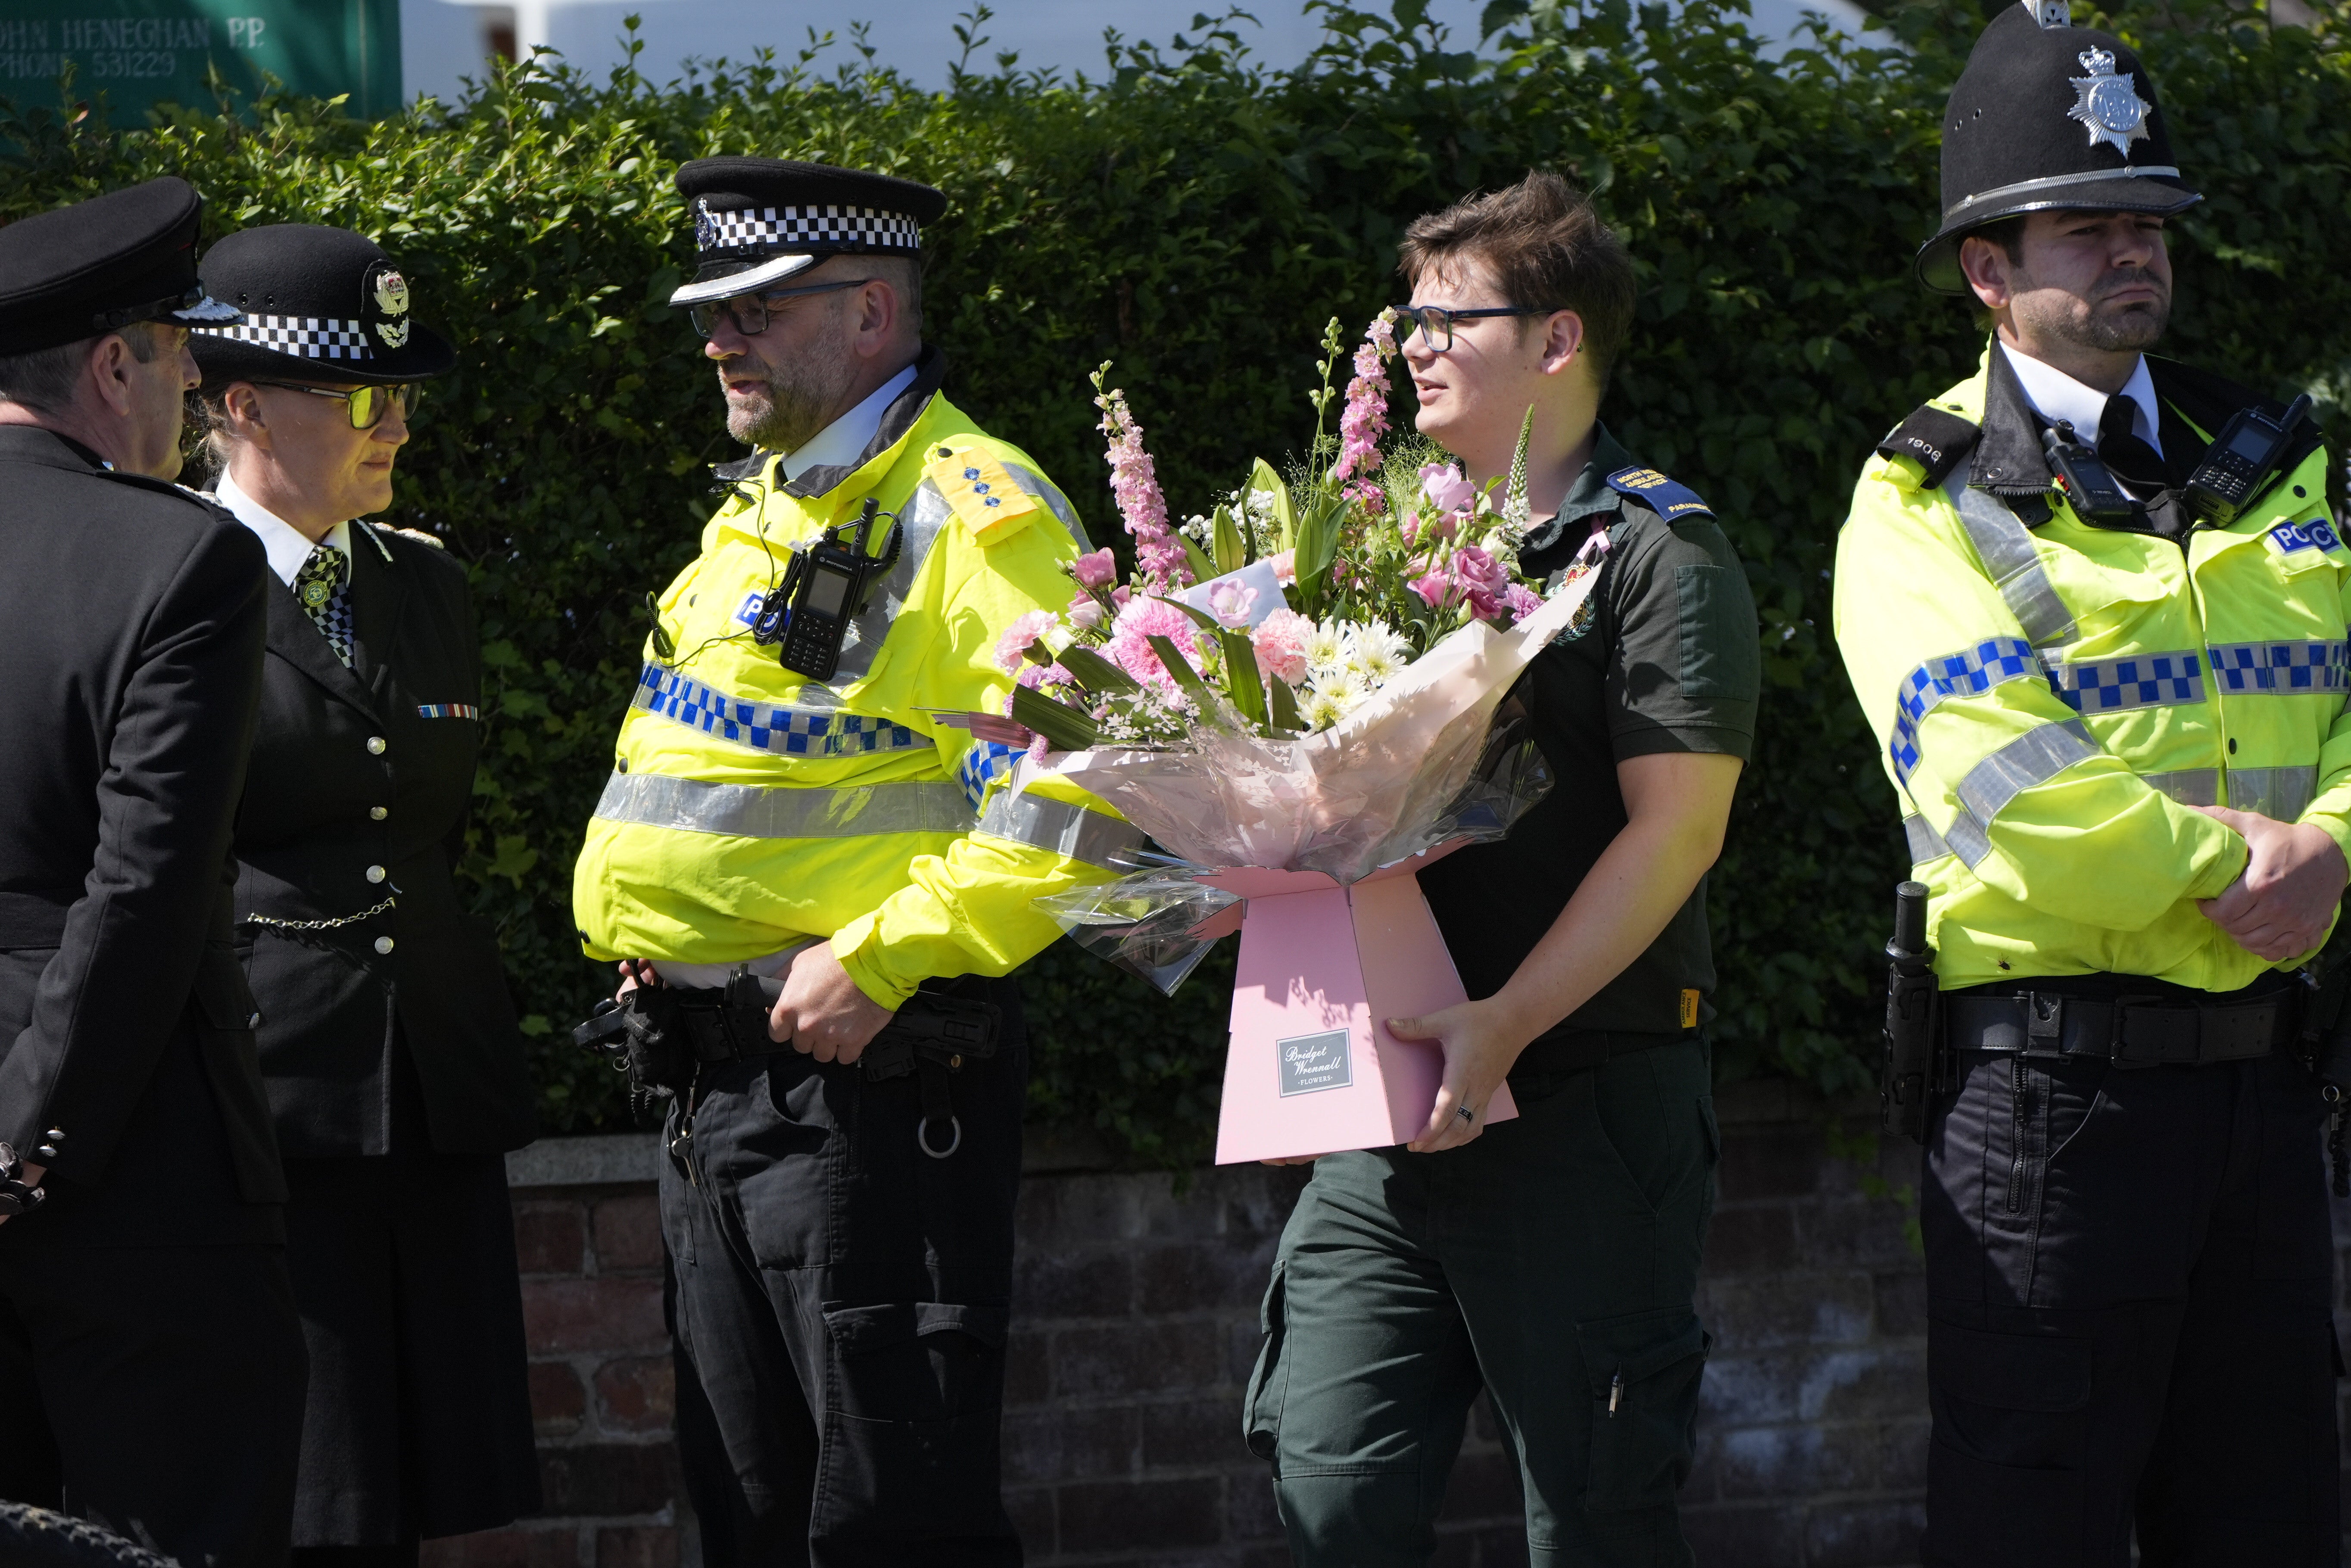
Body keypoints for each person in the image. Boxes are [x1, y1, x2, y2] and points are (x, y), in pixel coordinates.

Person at [569, 158, 1138, 1566]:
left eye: (756, 311)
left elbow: (1078, 812)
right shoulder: (768, 505)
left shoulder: (978, 509)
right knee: (753, 1516)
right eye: (711, 312)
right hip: (716, 1083)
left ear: (872, 311)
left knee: (888, 1526)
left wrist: (877, 958)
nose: (718, 340)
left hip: (863, 1096)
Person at [1832, 6, 2344, 1562]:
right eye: (2092, 228)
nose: (2139, 253)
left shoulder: (2276, 456)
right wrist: (2249, 872)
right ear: (1989, 272)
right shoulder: (1916, 503)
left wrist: (2336, 846)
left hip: (2263, 1094)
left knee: (2277, 1533)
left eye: (2152, 222)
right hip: (2052, 1112)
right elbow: (2010, 789)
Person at [1242, 172, 1759, 1568]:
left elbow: (1679, 829)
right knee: (1330, 1489)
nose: (1410, 344)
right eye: (1401, 319)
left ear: (1557, 341)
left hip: (1582, 1105)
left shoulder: (1657, 553)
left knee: (1593, 1513)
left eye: (1446, 319)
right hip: (1386, 1107)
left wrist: (1506, 1023)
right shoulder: (1362, 548)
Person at [187, 224, 541, 1567]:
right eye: (356, 395)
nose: (391, 422)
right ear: (241, 405)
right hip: (274, 1101)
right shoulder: (179, 581)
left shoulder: (424, 583)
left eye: (401, 393)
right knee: (304, 1490)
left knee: (417, 1487)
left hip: (431, 1095)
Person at [0, 177, 309, 1566]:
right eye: (184, 362)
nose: (189, 398)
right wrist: (24, 1139)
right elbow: (143, 891)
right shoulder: (180, 557)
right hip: (129, 1183)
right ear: (114, 366)